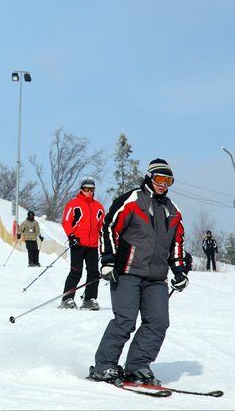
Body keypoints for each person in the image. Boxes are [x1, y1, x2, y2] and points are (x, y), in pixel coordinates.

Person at [89, 158, 188, 386]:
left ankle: (137, 366)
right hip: (127, 271)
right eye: (159, 179)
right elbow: (109, 227)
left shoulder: (173, 211)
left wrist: (179, 270)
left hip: (156, 277)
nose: (163, 184)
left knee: (158, 322)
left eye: (168, 180)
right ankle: (104, 366)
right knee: (125, 320)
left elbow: (177, 242)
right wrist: (107, 260)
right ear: (150, 178)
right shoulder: (133, 200)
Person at [60, 177, 106, 310]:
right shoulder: (74, 203)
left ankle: (89, 300)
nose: (89, 192)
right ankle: (67, 299)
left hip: (92, 245)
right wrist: (71, 236)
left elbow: (102, 226)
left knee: (93, 273)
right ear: (81, 189)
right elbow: (66, 221)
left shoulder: (98, 207)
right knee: (76, 272)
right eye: (87, 189)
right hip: (78, 243)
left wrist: (103, 241)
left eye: (92, 189)